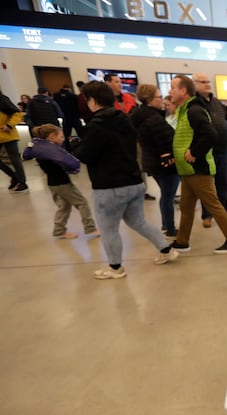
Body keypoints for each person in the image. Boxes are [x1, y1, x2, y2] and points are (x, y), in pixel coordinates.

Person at [71, 81, 179, 279]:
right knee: (139, 221)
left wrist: (75, 147)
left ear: (93, 101)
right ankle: (167, 250)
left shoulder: (97, 126)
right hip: (135, 182)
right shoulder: (125, 120)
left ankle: (115, 267)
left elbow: (86, 155)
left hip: (110, 186)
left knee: (108, 228)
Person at [167, 74, 227, 254]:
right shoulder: (185, 110)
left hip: (198, 168)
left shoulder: (194, 110)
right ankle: (182, 241)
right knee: (186, 206)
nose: (170, 92)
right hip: (188, 169)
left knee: (213, 204)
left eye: (173, 88)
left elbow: (209, 134)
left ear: (183, 91)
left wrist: (194, 152)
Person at [22, 124, 98, 239]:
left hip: (52, 184)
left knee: (64, 207)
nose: (63, 139)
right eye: (61, 136)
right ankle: (90, 228)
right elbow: (69, 163)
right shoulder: (52, 152)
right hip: (63, 183)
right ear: (52, 137)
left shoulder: (40, 151)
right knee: (82, 203)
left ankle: (59, 230)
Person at [129, 84, 180, 237]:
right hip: (164, 164)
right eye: (159, 97)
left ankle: (167, 224)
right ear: (149, 100)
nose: (162, 100)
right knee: (168, 195)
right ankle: (169, 226)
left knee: (166, 194)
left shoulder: (143, 115)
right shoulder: (153, 118)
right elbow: (164, 140)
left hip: (153, 162)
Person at [193, 72, 227, 228]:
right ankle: (207, 214)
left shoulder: (217, 103)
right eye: (202, 81)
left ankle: (224, 209)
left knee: (223, 182)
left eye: (208, 81)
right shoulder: (195, 105)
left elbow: (225, 121)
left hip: (222, 149)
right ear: (195, 85)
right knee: (208, 186)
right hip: (207, 151)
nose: (207, 84)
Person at [0, 90, 30, 193]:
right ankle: (14, 176)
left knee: (14, 159)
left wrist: (9, 125)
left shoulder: (3, 99)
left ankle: (23, 182)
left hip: (8, 134)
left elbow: (17, 113)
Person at [53, 84, 82, 148]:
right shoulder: (73, 96)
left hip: (65, 119)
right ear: (69, 88)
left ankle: (67, 149)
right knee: (81, 134)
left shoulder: (56, 95)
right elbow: (78, 107)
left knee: (65, 136)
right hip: (75, 117)